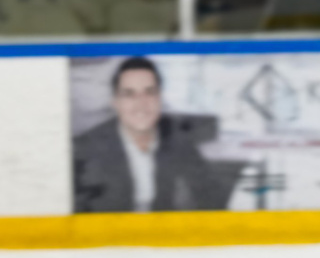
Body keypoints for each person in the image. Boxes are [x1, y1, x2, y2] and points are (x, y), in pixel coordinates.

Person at [72, 56, 230, 213]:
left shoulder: (177, 138)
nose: (141, 103)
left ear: (160, 98)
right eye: (129, 94)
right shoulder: (86, 149)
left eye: (150, 92)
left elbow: (213, 195)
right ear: (115, 102)